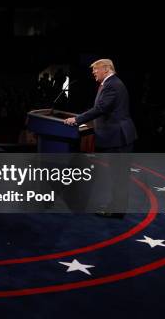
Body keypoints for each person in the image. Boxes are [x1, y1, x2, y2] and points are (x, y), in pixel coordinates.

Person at [64, 59, 136, 218]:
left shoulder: (112, 85)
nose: (93, 73)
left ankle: (116, 210)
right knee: (118, 175)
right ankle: (117, 208)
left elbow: (101, 108)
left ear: (106, 68)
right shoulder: (112, 83)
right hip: (118, 135)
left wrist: (77, 120)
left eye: (95, 69)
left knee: (118, 175)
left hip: (118, 137)